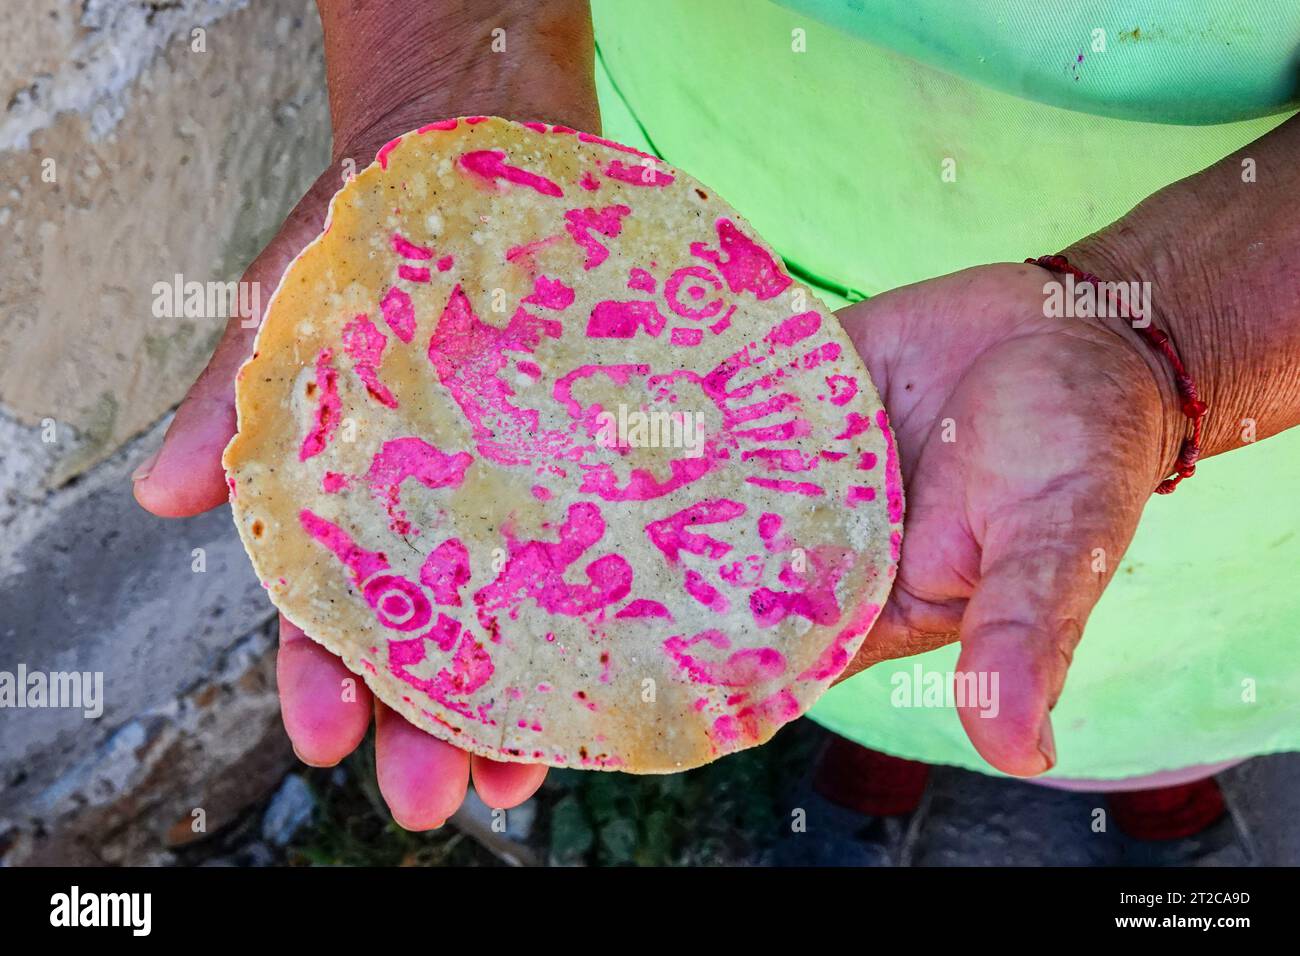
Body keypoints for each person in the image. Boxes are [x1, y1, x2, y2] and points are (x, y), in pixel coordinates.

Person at [133, 0, 1300, 837]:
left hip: (1258, 297)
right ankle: (862, 754)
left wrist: (1171, 334)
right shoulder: (550, 240)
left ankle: (1155, 780)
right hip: (638, 247)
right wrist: (456, 68)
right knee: (821, 620)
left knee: (1122, 645)